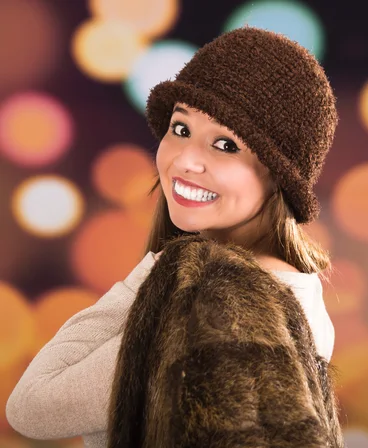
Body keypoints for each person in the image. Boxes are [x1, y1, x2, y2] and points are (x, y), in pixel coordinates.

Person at [6, 27, 343, 447]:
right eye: (181, 129)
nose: (185, 161)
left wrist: (153, 273)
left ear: (279, 176)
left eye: (225, 144)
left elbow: (32, 406)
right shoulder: (298, 289)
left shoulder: (215, 310)